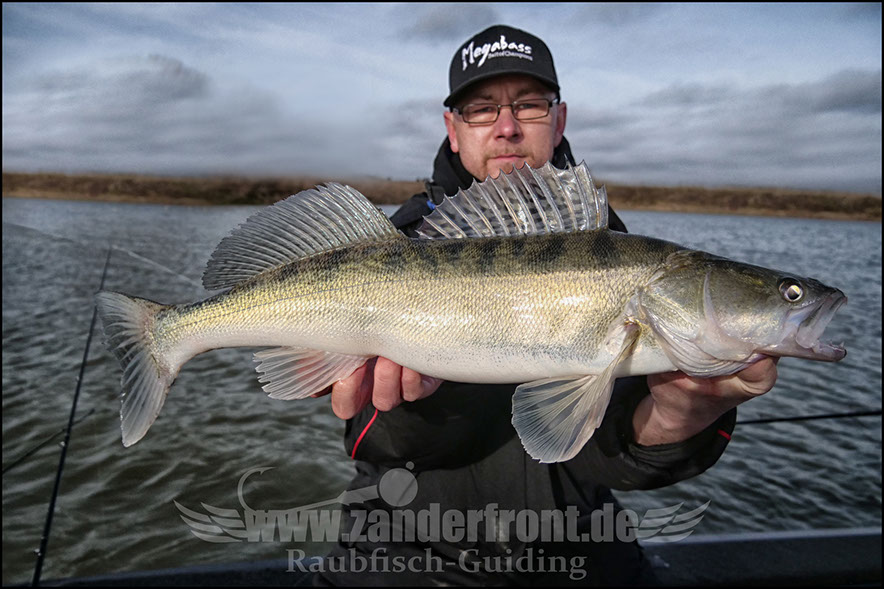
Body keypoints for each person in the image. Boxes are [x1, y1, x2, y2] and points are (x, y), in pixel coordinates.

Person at [311, 25, 778, 586]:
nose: (507, 127)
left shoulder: (612, 250)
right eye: (482, 109)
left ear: (559, 122)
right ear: (452, 130)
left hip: (573, 548)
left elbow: (598, 457)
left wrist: (681, 416)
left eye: (529, 105)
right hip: (402, 549)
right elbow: (372, 444)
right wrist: (417, 404)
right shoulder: (396, 246)